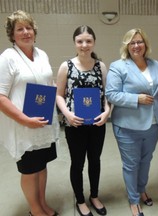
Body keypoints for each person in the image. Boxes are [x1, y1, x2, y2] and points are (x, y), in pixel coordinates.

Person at [0, 10, 59, 216]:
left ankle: (42, 203)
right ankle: (35, 210)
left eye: (29, 27)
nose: (26, 32)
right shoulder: (8, 58)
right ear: (12, 34)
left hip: (44, 121)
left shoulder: (42, 54)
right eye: (20, 29)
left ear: (34, 31)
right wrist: (25, 119)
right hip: (23, 125)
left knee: (41, 166)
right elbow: (0, 96)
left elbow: (47, 82)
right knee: (29, 169)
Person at [105, 28, 158, 216]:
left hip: (153, 124)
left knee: (146, 161)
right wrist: (136, 99)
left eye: (139, 42)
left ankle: (141, 189)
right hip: (128, 125)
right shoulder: (119, 66)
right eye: (132, 43)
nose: (136, 46)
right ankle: (133, 199)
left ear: (145, 44)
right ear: (127, 46)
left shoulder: (155, 65)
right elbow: (111, 94)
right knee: (131, 164)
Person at [56, 25, 110, 216]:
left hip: (96, 124)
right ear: (75, 43)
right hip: (75, 124)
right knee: (77, 163)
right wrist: (67, 115)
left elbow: (106, 96)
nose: (84, 45)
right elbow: (59, 95)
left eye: (88, 41)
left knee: (95, 161)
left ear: (94, 42)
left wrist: (107, 113)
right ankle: (80, 200)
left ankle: (94, 196)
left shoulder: (100, 66)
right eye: (80, 41)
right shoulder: (66, 66)